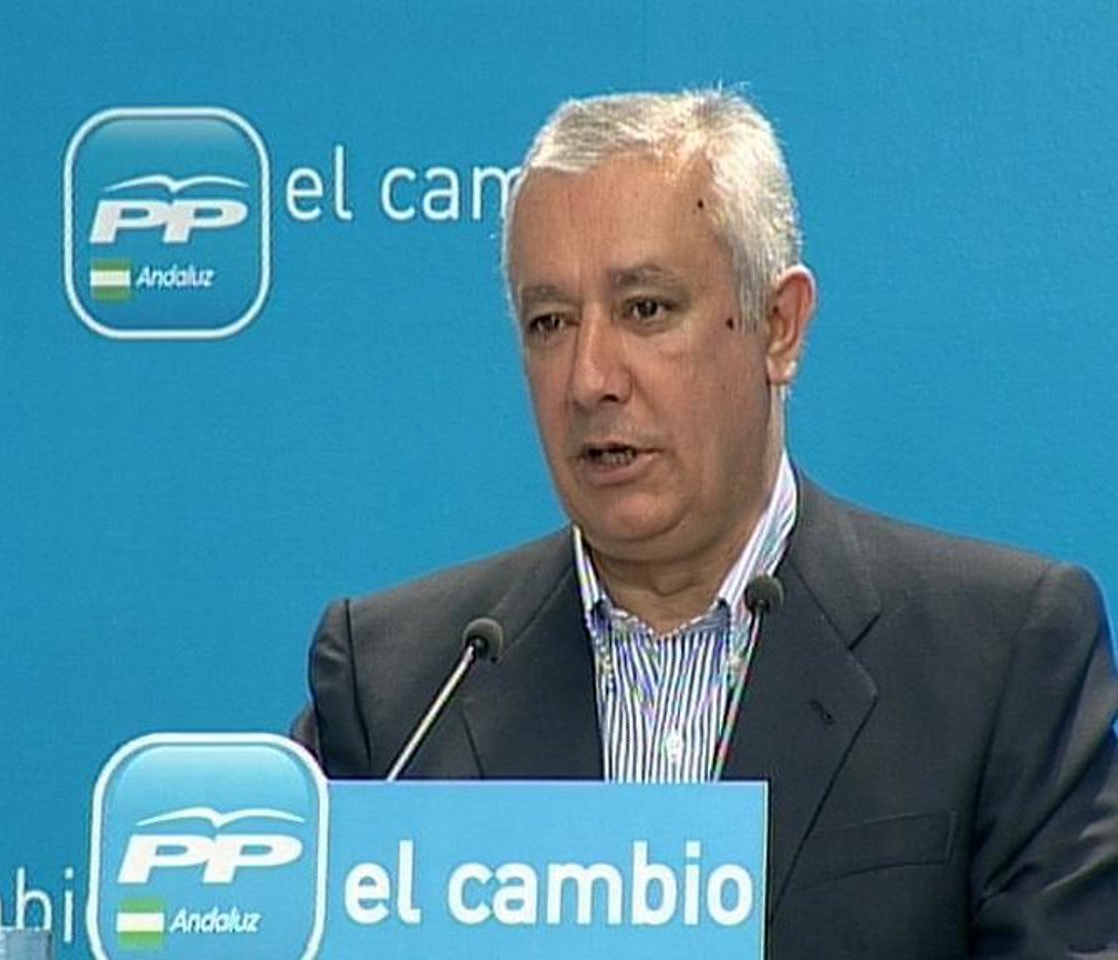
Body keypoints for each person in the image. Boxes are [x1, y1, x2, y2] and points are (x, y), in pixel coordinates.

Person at [293, 90, 1118, 957]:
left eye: (645, 310)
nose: (590, 379)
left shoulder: (1000, 661)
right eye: (550, 323)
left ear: (778, 326)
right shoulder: (400, 691)